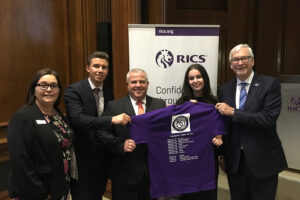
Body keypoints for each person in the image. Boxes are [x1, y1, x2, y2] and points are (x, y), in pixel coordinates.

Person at [215, 44, 287, 200]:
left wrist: (233, 112)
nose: (240, 63)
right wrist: (222, 155)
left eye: (244, 58)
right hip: (235, 162)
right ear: (230, 64)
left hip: (263, 161)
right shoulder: (225, 89)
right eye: (235, 59)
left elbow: (268, 118)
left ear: (252, 61)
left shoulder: (270, 84)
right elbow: (223, 125)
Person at [64, 51, 130, 200]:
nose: (100, 70)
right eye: (96, 66)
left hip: (103, 155)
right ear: (88, 68)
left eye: (104, 67)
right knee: (83, 195)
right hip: (82, 155)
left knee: (97, 193)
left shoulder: (109, 93)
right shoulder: (74, 91)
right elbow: (78, 120)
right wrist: (111, 120)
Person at [96, 68, 166, 200]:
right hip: (124, 174)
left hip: (152, 175)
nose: (138, 85)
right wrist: (120, 145)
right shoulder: (114, 106)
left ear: (148, 84)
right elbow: (101, 132)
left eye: (142, 81)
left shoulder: (159, 104)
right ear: (127, 85)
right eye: (134, 82)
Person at [8, 68, 76, 200]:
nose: (49, 89)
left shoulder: (58, 114)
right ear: (34, 89)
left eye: (54, 85)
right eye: (43, 85)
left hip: (59, 184)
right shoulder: (22, 117)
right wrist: (40, 193)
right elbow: (20, 162)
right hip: (37, 190)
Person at [175, 64, 222, 200]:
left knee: (208, 194)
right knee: (189, 195)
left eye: (198, 77)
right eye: (191, 78)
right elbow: (176, 133)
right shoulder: (182, 102)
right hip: (188, 159)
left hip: (209, 158)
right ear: (187, 82)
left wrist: (219, 138)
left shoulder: (215, 102)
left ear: (205, 78)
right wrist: (186, 110)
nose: (195, 81)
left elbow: (219, 129)